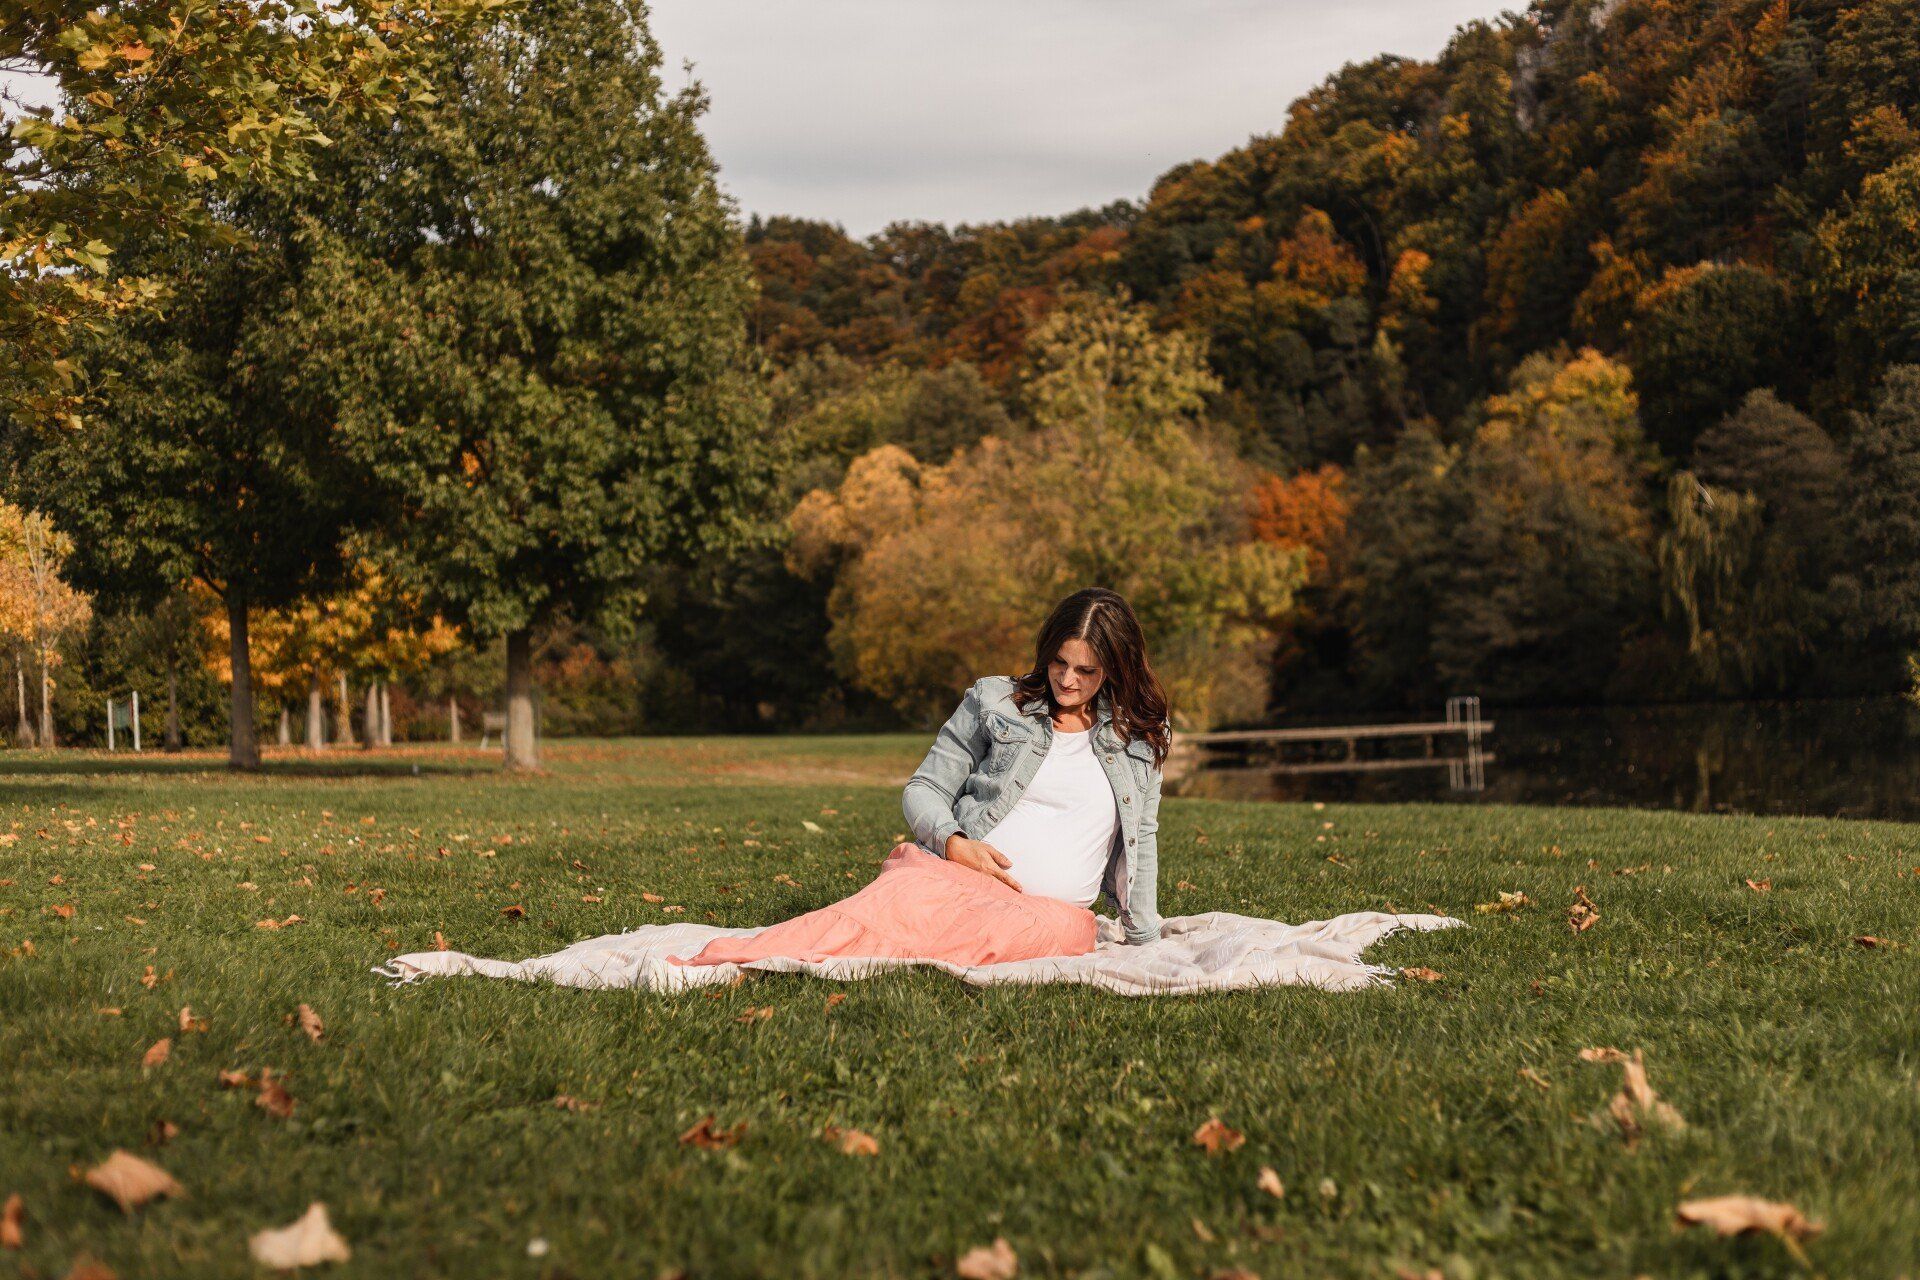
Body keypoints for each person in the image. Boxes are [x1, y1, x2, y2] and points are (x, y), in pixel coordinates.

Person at [670, 587, 1169, 970]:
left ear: (1115, 669)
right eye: (1059, 662)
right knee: (867, 917)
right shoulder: (997, 701)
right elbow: (925, 789)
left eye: (1086, 670)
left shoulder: (1140, 735)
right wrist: (954, 843)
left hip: (1048, 915)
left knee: (993, 938)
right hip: (954, 876)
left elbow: (1141, 836)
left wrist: (1144, 937)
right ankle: (737, 957)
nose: (1067, 679)